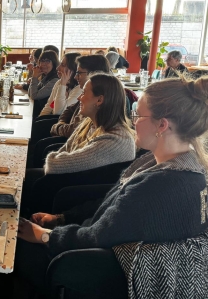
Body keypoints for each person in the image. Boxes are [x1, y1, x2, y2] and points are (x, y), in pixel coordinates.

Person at [15, 75, 208, 296]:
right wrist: (61, 219)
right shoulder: (187, 169)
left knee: (14, 246)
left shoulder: (159, 186)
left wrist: (44, 235)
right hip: (106, 257)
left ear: (162, 125)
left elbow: (98, 236)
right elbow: (113, 206)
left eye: (138, 115)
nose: (133, 121)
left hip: (104, 273)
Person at [39, 52, 81, 116]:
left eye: (63, 65)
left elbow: (58, 112)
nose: (58, 68)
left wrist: (63, 85)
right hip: (52, 120)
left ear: (73, 69)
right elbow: (49, 106)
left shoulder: (79, 89)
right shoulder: (59, 82)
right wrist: (39, 118)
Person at [28, 50, 59, 116]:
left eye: (47, 61)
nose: (44, 64)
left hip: (45, 116)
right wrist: (35, 77)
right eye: (42, 61)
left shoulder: (55, 80)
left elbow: (34, 96)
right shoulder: (46, 76)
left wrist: (34, 77)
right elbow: (30, 93)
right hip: (38, 111)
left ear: (54, 63)